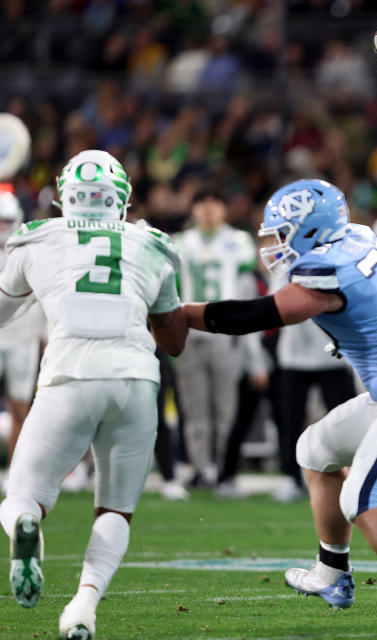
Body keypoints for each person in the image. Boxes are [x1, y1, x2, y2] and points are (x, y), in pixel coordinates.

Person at [181, 179, 377, 640]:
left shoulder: (328, 268)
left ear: (311, 229)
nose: (273, 246)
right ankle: (332, 572)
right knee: (315, 448)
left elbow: (254, 316)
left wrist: (182, 313)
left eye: (282, 233)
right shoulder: (355, 236)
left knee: (363, 498)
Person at [0, 150, 187, 638]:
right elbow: (174, 339)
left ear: (64, 195)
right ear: (121, 197)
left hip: (69, 376)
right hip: (136, 380)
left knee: (21, 495)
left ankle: (27, 526)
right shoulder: (152, 244)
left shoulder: (37, 239)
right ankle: (83, 607)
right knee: (116, 509)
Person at [173, 189, 267, 488]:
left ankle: (226, 467)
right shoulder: (179, 244)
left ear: (225, 210)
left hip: (226, 333)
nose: (208, 210)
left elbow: (245, 290)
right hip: (190, 332)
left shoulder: (238, 242)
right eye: (202, 204)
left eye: (214, 203)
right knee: (195, 407)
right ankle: (202, 468)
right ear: (193, 210)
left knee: (226, 407)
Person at [0, 189, 44, 469]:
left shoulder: (29, 251)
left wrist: (46, 335)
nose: (2, 227)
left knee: (20, 406)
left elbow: (43, 295)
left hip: (24, 338)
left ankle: (15, 473)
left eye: (5, 221)